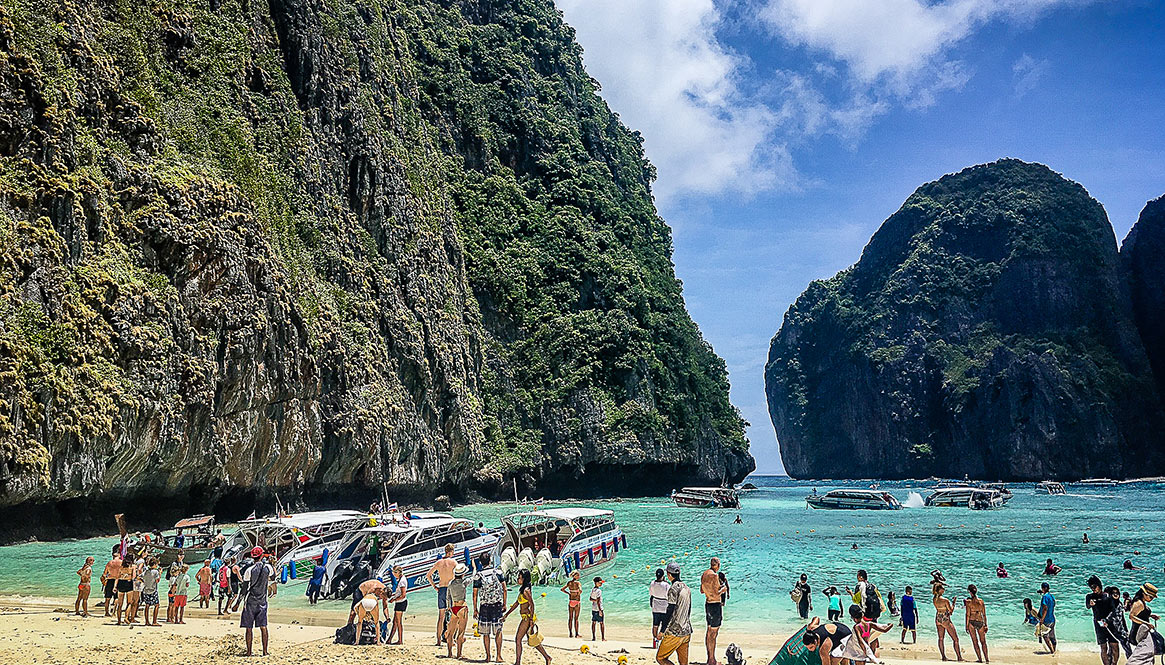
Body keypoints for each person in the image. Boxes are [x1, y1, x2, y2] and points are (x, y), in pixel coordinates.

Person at [503, 569, 551, 665]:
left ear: (524, 579)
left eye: (519, 577)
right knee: (533, 640)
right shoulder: (522, 590)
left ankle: (517, 662)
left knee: (518, 639)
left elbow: (532, 605)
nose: (517, 579)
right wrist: (506, 615)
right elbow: (517, 604)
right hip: (525, 617)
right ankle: (547, 657)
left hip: (527, 618)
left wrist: (531, 620)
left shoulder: (526, 591)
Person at [656, 562, 692, 665]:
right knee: (683, 663)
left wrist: (662, 630)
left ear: (669, 575)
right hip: (687, 630)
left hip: (675, 631)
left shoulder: (673, 589)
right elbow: (688, 610)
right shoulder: (686, 588)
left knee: (661, 658)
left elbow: (670, 611)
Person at [240, 547, 274, 657]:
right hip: (262, 601)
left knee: (249, 628)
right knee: (263, 627)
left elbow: (244, 589)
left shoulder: (249, 570)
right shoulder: (268, 567)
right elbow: (273, 577)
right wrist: (273, 563)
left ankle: (249, 652)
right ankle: (265, 651)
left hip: (250, 602)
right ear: (262, 555)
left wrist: (236, 603)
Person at [473, 554, 506, 662]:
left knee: (486, 633)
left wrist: (475, 609)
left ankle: (488, 656)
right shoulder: (498, 572)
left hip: (484, 606)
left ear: (481, 562)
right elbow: (504, 589)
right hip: (497, 605)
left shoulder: (478, 575)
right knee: (498, 631)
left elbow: (475, 594)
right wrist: (504, 604)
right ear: (490, 561)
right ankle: (499, 656)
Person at [426, 543, 458, 646]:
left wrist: (434, 586)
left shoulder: (439, 562)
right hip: (451, 589)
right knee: (454, 615)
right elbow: (459, 575)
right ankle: (451, 639)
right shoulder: (453, 562)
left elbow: (428, 575)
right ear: (451, 552)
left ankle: (439, 640)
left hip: (442, 588)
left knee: (441, 616)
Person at [1087, 575, 1119, 665]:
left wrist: (1107, 620)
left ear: (1099, 585)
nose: (1093, 589)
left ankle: (1114, 664)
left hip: (1110, 624)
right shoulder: (1089, 596)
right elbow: (1087, 606)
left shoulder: (1108, 596)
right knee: (1103, 647)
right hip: (1098, 624)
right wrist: (1090, 604)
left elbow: (1113, 611)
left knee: (1114, 646)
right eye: (1091, 587)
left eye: (1094, 587)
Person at [701, 558, 725, 665]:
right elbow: (716, 593)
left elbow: (701, 590)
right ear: (718, 565)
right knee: (714, 633)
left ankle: (709, 658)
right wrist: (723, 589)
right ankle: (712, 660)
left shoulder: (704, 574)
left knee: (709, 631)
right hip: (715, 605)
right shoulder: (715, 576)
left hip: (708, 604)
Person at [1126, 584, 1159, 665]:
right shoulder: (1139, 603)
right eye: (1151, 597)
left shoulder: (1141, 602)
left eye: (1153, 598)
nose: (1151, 599)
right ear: (1144, 594)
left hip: (1140, 631)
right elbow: (1131, 616)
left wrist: (1150, 615)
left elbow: (1139, 614)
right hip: (1138, 633)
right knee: (1144, 655)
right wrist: (1146, 623)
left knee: (1145, 654)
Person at [933, 583, 963, 661]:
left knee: (941, 638)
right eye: (942, 588)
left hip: (938, 618)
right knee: (955, 639)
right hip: (945, 619)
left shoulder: (934, 599)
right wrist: (953, 602)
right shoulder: (945, 600)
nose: (944, 589)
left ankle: (943, 656)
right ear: (939, 590)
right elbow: (951, 611)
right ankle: (959, 657)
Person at [446, 564, 471, 658]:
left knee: (450, 632)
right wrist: (475, 568)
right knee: (461, 632)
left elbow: (448, 597)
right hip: (462, 608)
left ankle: (449, 653)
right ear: (463, 574)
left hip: (453, 608)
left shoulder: (450, 583)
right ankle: (459, 654)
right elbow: (474, 577)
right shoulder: (464, 582)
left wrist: (449, 607)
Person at [964, 584, 988, 664]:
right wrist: (986, 625)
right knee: (983, 642)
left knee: (975, 642)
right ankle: (987, 659)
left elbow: (967, 614)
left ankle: (980, 659)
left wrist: (966, 626)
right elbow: (984, 614)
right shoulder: (981, 601)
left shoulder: (968, 602)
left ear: (969, 592)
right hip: (980, 622)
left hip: (971, 622)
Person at [649, 568, 671, 647]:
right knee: (664, 625)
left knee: (655, 624)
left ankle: (655, 640)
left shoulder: (652, 583)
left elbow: (651, 594)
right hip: (664, 606)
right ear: (663, 576)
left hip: (655, 606)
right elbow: (668, 595)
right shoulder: (666, 585)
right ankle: (661, 640)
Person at [388, 566, 408, 645]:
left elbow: (403, 595)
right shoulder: (401, 579)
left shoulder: (402, 581)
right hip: (399, 602)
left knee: (398, 622)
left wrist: (394, 600)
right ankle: (389, 639)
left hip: (401, 602)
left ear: (398, 572)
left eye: (394, 573)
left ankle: (400, 640)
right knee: (395, 622)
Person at [115, 551, 135, 625]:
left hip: (121, 583)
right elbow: (133, 577)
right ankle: (126, 618)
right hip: (128, 583)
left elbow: (117, 577)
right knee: (129, 602)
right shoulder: (132, 567)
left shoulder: (121, 567)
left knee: (120, 604)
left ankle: (119, 621)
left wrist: (115, 586)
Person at [561, 570, 582, 638]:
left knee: (570, 618)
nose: (579, 576)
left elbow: (562, 589)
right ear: (575, 576)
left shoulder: (569, 583)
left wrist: (569, 593)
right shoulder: (578, 583)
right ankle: (576, 634)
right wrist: (578, 594)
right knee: (576, 618)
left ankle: (570, 633)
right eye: (578, 575)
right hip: (576, 601)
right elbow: (580, 590)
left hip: (571, 601)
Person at [100, 548, 121, 617]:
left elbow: (104, 574)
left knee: (107, 597)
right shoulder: (121, 562)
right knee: (116, 597)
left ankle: (106, 612)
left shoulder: (110, 563)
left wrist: (103, 582)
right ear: (119, 555)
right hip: (118, 580)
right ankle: (114, 612)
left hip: (110, 580)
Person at [1037, 582, 1056, 654]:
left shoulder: (1045, 597)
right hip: (1052, 619)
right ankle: (1054, 650)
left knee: (1045, 636)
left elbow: (1045, 608)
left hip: (1047, 619)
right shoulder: (1051, 596)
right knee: (1052, 636)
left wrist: (1042, 619)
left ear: (1044, 588)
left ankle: (1052, 651)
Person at [141, 557, 161, 626]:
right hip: (153, 590)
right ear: (155, 564)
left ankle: (147, 621)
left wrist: (144, 582)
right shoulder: (156, 572)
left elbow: (139, 577)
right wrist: (160, 573)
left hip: (146, 590)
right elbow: (157, 581)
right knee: (157, 605)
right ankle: (154, 621)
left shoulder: (146, 571)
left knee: (147, 605)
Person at [590, 576, 606, 641]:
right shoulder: (599, 591)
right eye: (600, 583)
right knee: (601, 623)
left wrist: (595, 600)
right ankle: (603, 638)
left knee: (593, 623)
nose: (601, 584)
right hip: (599, 609)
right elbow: (599, 601)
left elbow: (590, 599)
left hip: (593, 609)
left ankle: (594, 637)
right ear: (596, 583)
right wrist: (600, 611)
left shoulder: (593, 590)